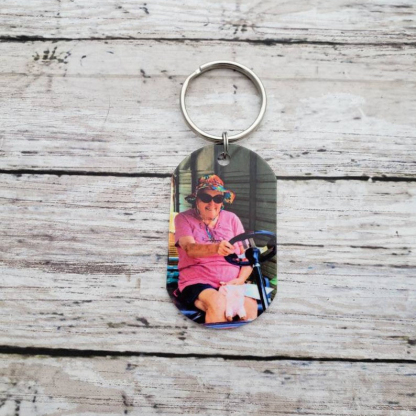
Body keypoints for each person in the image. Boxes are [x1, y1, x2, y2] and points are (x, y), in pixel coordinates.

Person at [174, 174, 258, 324]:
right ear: (196, 200)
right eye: (206, 197)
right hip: (197, 281)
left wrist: (240, 279)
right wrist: (215, 248)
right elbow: (189, 248)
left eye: (218, 198)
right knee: (218, 303)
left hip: (231, 282)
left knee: (250, 307)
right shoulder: (183, 218)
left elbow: (247, 255)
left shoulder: (232, 219)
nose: (212, 203)